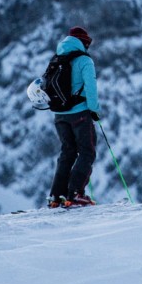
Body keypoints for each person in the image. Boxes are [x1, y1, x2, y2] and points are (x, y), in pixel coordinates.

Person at [48, 26, 101, 208]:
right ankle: (76, 194)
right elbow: (91, 87)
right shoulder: (84, 60)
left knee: (67, 152)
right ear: (83, 42)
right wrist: (94, 109)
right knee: (87, 151)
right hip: (79, 113)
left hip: (59, 115)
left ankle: (56, 196)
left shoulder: (57, 58)